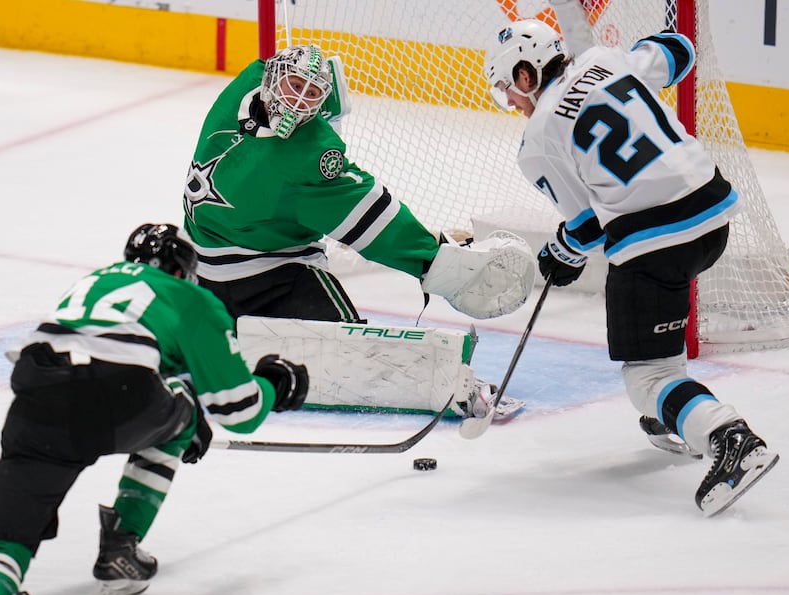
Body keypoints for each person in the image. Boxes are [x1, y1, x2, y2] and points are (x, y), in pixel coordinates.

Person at [0, 224, 309, 595]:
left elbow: (109, 343)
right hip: (117, 391)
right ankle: (121, 550)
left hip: (38, 387)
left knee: (10, 524)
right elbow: (239, 411)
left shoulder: (95, 281)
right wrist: (275, 383)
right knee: (186, 412)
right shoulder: (190, 296)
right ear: (183, 269)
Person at [482, 18, 779, 516]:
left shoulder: (536, 142)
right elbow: (679, 50)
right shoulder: (606, 60)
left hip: (655, 243)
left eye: (509, 88)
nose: (511, 101)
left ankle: (728, 437)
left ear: (527, 76)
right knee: (660, 340)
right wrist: (649, 42)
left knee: (644, 378)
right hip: (712, 215)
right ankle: (677, 414)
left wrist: (560, 255)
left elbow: (588, 227)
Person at [182, 43, 536, 418]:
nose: (299, 100)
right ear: (272, 79)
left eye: (313, 93)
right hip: (275, 278)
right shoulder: (311, 157)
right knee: (349, 353)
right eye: (293, 86)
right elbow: (376, 223)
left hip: (198, 277)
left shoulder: (244, 85)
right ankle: (450, 385)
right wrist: (435, 261)